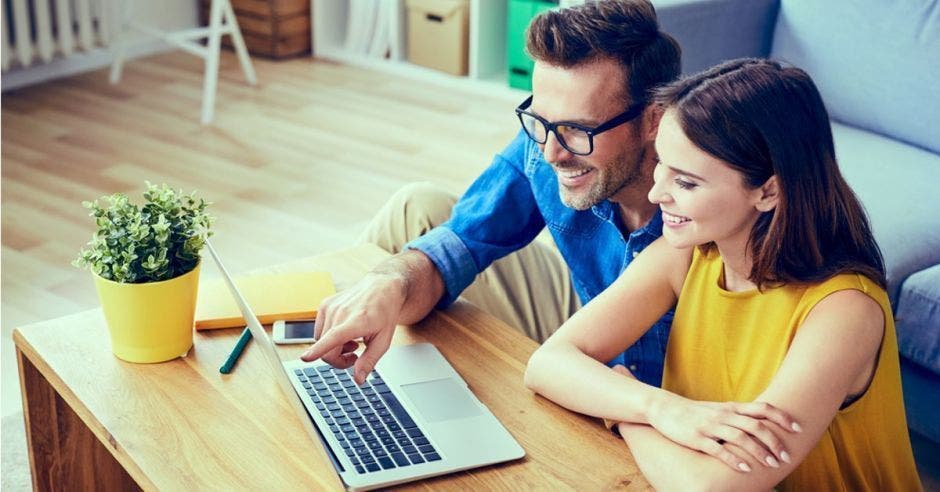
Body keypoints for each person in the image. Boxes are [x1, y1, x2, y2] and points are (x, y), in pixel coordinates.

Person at [524, 58, 922, 490]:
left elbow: (711, 486)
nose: (658, 194)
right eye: (662, 165)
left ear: (768, 190)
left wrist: (622, 410)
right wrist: (659, 408)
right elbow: (547, 363)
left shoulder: (844, 312)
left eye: (687, 182)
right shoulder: (688, 256)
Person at [301, 0, 685, 387]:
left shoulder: (709, 191)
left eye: (578, 129)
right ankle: (348, 372)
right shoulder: (546, 144)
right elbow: (464, 240)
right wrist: (389, 284)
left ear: (653, 119)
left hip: (677, 383)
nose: (553, 153)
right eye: (541, 122)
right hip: (585, 316)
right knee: (418, 208)